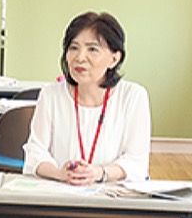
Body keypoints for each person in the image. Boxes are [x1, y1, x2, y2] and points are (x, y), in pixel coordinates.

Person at [23, 11, 150, 185]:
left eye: (92, 49)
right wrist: (61, 174)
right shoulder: (50, 94)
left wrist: (99, 173)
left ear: (114, 58)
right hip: (60, 196)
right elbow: (35, 153)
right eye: (73, 48)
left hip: (113, 200)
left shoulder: (133, 97)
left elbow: (136, 162)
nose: (80, 58)